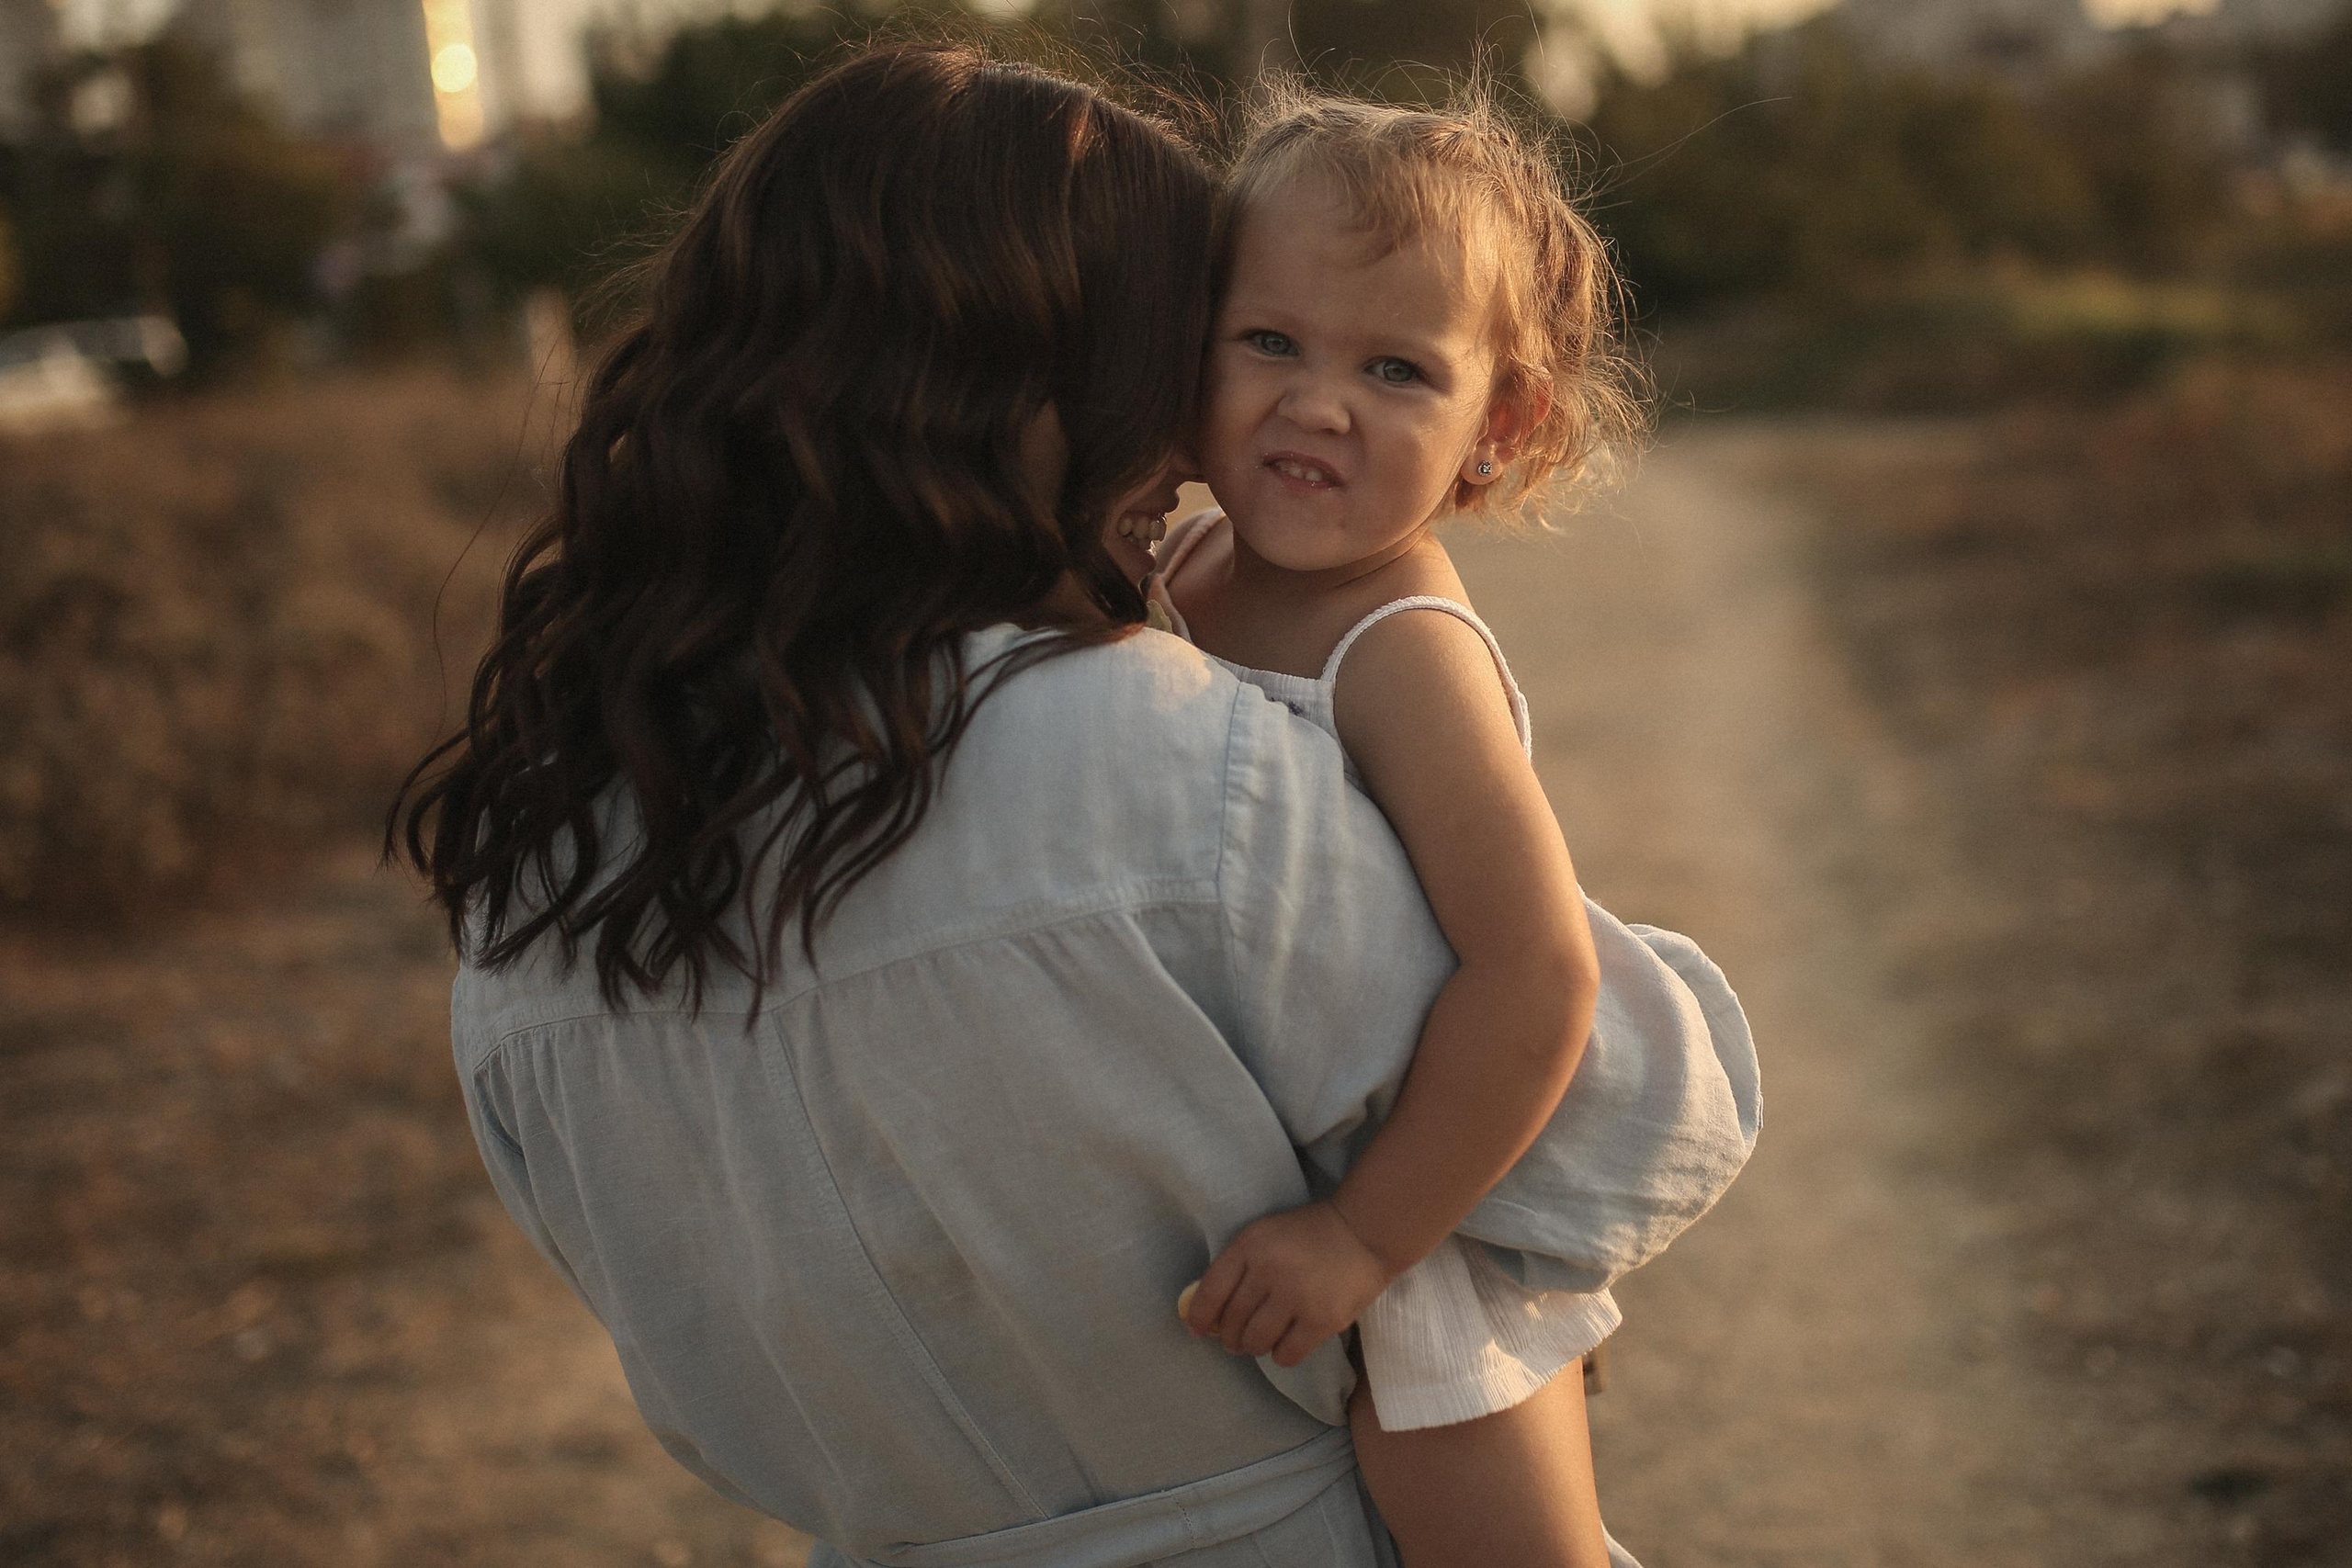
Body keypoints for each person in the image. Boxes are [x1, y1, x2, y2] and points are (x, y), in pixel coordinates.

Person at [391, 40, 1757, 1568]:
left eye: (1389, 366)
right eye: (1212, 352)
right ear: (1010, 382)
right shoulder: (1165, 766)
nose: (1197, 442)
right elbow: (1618, 1115)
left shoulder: (536, 888)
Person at [1151, 88, 1668, 1567]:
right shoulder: (1184, 559)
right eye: (1271, 343)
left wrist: (1369, 1238)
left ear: (1496, 427)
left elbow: (1538, 972)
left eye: (1394, 367)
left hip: (1426, 1206)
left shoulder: (1401, 650)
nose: (1319, 403)